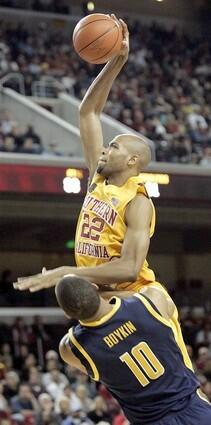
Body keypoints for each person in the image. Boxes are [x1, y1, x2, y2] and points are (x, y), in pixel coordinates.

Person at [13, 16, 190, 375]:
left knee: (176, 380)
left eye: (114, 146)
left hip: (135, 299)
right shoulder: (99, 179)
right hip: (101, 296)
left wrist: (67, 272)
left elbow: (129, 267)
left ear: (134, 160)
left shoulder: (138, 201)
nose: (105, 149)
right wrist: (117, 60)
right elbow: (88, 111)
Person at [56, 275, 211, 425]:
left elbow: (68, 339)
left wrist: (73, 297)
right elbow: (147, 294)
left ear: (67, 314)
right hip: (195, 409)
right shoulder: (150, 300)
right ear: (95, 287)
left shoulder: (73, 348)